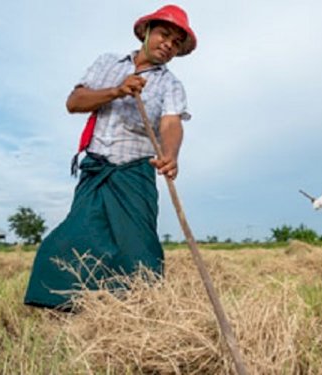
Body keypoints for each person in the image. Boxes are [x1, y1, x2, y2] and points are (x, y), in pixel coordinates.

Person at [24, 5, 197, 311]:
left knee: (138, 247)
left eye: (176, 43)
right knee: (77, 238)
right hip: (96, 167)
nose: (168, 44)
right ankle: (73, 307)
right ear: (146, 32)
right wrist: (118, 91)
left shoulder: (171, 85)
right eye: (163, 34)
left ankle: (142, 310)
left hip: (135, 171)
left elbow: (171, 123)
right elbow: (75, 102)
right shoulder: (107, 62)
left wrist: (170, 155)